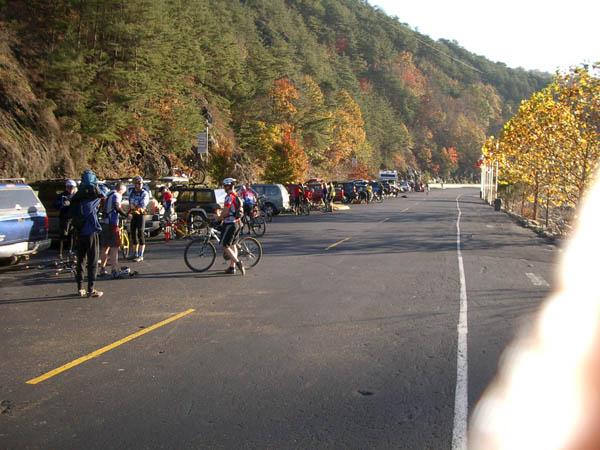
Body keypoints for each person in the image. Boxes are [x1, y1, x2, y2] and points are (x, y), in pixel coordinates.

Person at [69, 169, 104, 298]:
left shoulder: (76, 199)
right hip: (91, 233)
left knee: (81, 260)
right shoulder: (94, 199)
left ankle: (80, 288)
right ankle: (91, 289)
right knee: (93, 261)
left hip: (79, 232)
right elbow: (102, 194)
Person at [99, 182, 128, 278]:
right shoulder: (117, 195)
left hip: (104, 223)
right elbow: (116, 206)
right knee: (114, 247)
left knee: (105, 247)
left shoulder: (108, 194)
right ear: (121, 189)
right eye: (123, 192)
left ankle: (102, 269)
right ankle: (114, 269)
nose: (123, 194)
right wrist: (126, 215)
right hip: (112, 224)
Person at [218, 178, 245, 275]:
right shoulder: (236, 194)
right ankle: (232, 267)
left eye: (224, 186)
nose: (224, 187)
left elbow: (225, 212)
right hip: (237, 222)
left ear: (228, 186)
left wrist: (218, 218)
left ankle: (238, 263)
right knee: (233, 245)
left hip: (230, 224)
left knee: (225, 246)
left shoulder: (229, 197)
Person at [54, 179, 77, 258]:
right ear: (66, 187)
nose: (70, 189)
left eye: (72, 187)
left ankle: (70, 251)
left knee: (72, 235)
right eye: (69, 187)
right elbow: (56, 205)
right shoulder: (62, 196)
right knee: (62, 236)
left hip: (73, 218)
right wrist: (62, 204)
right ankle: (60, 253)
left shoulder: (76, 196)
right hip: (64, 218)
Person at [129, 176, 149, 262]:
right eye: (137, 183)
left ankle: (141, 255)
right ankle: (135, 253)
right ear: (134, 184)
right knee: (133, 233)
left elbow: (143, 204)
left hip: (141, 214)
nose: (139, 185)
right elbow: (130, 202)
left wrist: (136, 206)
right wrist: (131, 208)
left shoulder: (144, 193)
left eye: (140, 183)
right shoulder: (132, 192)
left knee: (140, 233)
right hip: (134, 214)